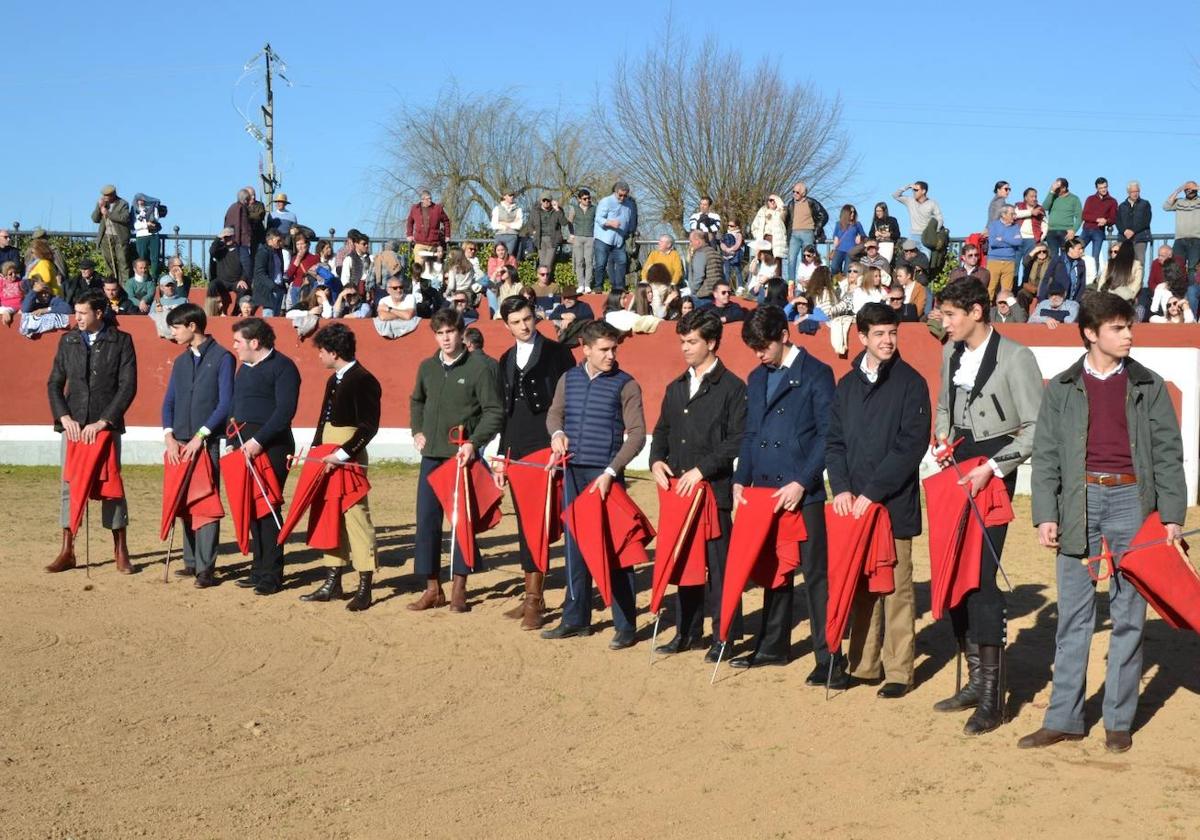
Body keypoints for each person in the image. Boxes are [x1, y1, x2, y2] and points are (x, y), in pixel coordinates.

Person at [1020, 292, 1186, 754]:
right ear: (1091, 333)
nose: (1129, 335)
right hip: (1080, 501)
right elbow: (1048, 455)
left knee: (1130, 615)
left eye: (1129, 326)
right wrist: (1045, 514)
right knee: (1073, 616)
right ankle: (1065, 718)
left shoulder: (1148, 385)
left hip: (1134, 500)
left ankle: (1118, 720)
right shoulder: (1062, 387)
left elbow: (1170, 455)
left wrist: (1171, 515)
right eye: (1118, 328)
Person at [932, 278, 1042, 736]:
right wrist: (940, 438)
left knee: (979, 575)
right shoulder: (949, 352)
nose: (944, 321)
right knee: (954, 567)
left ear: (977, 311)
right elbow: (944, 404)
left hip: (993, 472)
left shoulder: (1016, 357)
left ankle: (994, 699)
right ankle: (977, 681)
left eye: (951, 314)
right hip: (956, 466)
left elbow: (1037, 425)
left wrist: (994, 467)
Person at [731, 305, 842, 685]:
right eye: (754, 349)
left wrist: (803, 481)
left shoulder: (817, 374)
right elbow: (750, 434)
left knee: (815, 574)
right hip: (763, 487)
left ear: (783, 335)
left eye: (763, 346)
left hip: (801, 491)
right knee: (775, 569)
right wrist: (740, 478)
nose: (759, 355)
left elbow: (828, 435)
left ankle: (828, 657)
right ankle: (774, 645)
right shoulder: (756, 377)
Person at [827, 303, 930, 698]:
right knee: (861, 585)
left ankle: (900, 671)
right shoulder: (847, 385)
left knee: (896, 589)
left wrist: (871, 493)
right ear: (862, 336)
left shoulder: (911, 383)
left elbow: (909, 447)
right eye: (880, 334)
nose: (888, 341)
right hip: (854, 505)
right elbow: (834, 442)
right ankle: (864, 665)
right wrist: (843, 489)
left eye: (893, 333)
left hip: (891, 504)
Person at [542, 319, 647, 648]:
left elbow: (639, 434)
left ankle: (625, 624)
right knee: (575, 547)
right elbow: (554, 415)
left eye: (614, 348)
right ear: (585, 349)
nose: (611, 355)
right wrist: (557, 434)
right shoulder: (568, 379)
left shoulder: (626, 384)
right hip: (572, 470)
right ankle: (576, 618)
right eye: (604, 349)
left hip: (606, 475)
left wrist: (612, 471)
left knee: (616, 549)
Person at [649, 309, 747, 661]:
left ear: (711, 343)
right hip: (681, 493)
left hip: (714, 491)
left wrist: (702, 470)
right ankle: (686, 631)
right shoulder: (677, 387)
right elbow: (661, 431)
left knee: (720, 569)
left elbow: (738, 439)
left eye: (692, 342)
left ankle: (725, 637)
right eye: (682, 342)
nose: (685, 349)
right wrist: (656, 460)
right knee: (685, 563)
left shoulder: (733, 388)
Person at [409, 309, 504, 612]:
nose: (445, 338)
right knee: (426, 521)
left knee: (461, 522)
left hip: (461, 456)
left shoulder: (480, 367)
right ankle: (432, 587)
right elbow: (416, 401)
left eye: (450, 331)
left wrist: (475, 444)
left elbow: (494, 411)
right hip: (431, 456)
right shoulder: (426, 367)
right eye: (440, 333)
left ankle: (460, 585)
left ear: (461, 333)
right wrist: (417, 431)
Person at [492, 295, 578, 629]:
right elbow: (505, 412)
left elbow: (572, 402)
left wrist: (563, 444)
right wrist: (502, 455)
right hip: (517, 448)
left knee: (539, 522)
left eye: (528, 319)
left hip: (546, 444)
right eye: (516, 322)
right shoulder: (505, 359)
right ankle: (533, 594)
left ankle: (534, 599)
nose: (524, 326)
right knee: (525, 522)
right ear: (506, 325)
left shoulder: (558, 353)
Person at [46, 290, 138, 574]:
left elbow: (128, 386)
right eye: (76, 312)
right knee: (69, 485)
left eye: (83, 312)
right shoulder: (68, 340)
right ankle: (68, 548)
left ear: (99, 313)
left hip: (104, 427)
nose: (78, 318)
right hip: (73, 427)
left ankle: (120, 549)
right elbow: (54, 384)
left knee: (111, 486)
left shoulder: (121, 341)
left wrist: (104, 421)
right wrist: (64, 417)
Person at [294, 324, 381, 611]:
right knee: (329, 514)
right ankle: (333, 582)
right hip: (327, 455)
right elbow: (323, 422)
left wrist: (342, 455)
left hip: (347, 458)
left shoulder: (364, 379)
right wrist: (315, 452)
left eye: (321, 351)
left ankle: (364, 587)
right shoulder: (335, 380)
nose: (318, 356)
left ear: (333, 352)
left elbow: (369, 428)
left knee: (355, 516)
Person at [160, 304, 233, 587]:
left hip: (206, 443)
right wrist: (168, 435)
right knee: (183, 501)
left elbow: (224, 403)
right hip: (179, 442)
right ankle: (191, 561)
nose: (172, 333)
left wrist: (200, 436)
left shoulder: (223, 357)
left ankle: (206, 567)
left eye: (176, 327)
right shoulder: (180, 361)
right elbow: (169, 401)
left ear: (192, 326)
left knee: (205, 501)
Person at [228, 317, 300, 595]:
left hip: (273, 445)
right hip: (244, 445)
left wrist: (258, 441)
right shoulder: (243, 370)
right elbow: (235, 406)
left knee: (268, 508)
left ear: (254, 342)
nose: (234, 346)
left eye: (238, 341)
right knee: (251, 507)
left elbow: (284, 412)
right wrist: (233, 439)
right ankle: (258, 569)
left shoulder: (283, 368)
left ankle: (272, 573)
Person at [593, 181, 635, 292]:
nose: (622, 198)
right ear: (615, 192)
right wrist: (610, 223)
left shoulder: (629, 205)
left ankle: (619, 287)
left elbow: (629, 220)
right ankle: (598, 286)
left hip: (619, 240)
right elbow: (598, 218)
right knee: (601, 263)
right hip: (603, 239)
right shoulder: (606, 201)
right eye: (620, 195)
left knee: (622, 262)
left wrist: (630, 230)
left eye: (625, 195)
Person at [784, 182, 830, 281]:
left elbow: (824, 215)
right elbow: (787, 220)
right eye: (793, 192)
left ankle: (807, 283)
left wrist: (817, 229)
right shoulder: (791, 204)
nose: (794, 194)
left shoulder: (811, 202)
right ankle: (791, 285)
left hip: (808, 233)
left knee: (807, 259)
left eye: (797, 192)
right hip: (794, 234)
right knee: (791, 260)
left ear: (803, 193)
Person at [92, 184, 132, 283]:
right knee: (109, 263)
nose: (105, 198)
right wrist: (99, 207)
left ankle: (124, 287)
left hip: (120, 237)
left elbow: (125, 218)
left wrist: (108, 213)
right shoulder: (102, 203)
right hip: (106, 237)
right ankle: (111, 285)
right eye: (104, 196)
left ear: (113, 194)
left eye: (107, 196)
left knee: (123, 263)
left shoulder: (123, 203)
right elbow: (95, 219)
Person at [892, 182, 944, 254]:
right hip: (913, 236)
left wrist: (934, 231)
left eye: (916, 190)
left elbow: (940, 219)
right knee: (910, 260)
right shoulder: (910, 201)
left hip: (926, 237)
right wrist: (908, 186)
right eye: (913, 190)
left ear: (923, 191)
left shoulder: (932, 203)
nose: (914, 192)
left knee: (925, 260)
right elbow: (895, 195)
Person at [406, 189, 452, 271]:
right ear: (422, 200)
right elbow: (410, 222)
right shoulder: (414, 209)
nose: (430, 200)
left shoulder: (438, 209)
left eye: (430, 198)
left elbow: (446, 221)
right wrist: (409, 234)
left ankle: (436, 283)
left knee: (436, 268)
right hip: (420, 243)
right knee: (418, 267)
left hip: (434, 244)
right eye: (427, 199)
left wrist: (447, 235)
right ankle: (418, 282)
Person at [1163, 181, 1200, 276]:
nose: (1189, 191)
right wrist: (1178, 190)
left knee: (1193, 268)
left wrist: (1197, 187)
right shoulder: (1179, 202)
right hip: (1179, 240)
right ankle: (1179, 289)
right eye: (1187, 189)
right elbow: (1166, 206)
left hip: (1196, 240)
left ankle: (1192, 290)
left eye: (1192, 189)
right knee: (1177, 267)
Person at [986, 206, 1023, 300]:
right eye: (1012, 214)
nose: (1014, 216)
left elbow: (1018, 242)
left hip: (1009, 261)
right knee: (990, 288)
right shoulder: (993, 225)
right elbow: (993, 243)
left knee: (1007, 291)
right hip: (994, 260)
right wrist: (1010, 241)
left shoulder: (1016, 226)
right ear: (1003, 215)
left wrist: (1002, 239)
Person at [1082, 178, 1118, 269]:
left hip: (1099, 231)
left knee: (1095, 256)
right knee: (1076, 249)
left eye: (1105, 187)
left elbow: (1113, 218)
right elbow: (1084, 215)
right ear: (1096, 188)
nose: (1103, 189)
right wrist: (1097, 219)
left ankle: (1094, 279)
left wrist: (1106, 221)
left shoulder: (1112, 201)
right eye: (1101, 187)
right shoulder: (1090, 199)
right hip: (1086, 229)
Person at [1116, 180, 1153, 271]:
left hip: (1140, 237)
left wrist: (1133, 231)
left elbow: (1146, 220)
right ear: (1128, 192)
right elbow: (1118, 221)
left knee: (1139, 262)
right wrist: (1124, 231)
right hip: (1124, 238)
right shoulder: (1121, 206)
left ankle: (1138, 284)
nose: (1135, 194)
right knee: (1123, 262)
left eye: (1137, 191)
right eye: (1133, 192)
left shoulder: (1145, 204)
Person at [1044, 178, 1082, 259]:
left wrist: (1074, 230)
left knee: (1066, 256)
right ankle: (1055, 271)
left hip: (1066, 232)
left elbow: (1079, 217)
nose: (1055, 189)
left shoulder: (1074, 199)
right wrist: (1051, 192)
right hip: (1051, 231)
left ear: (1064, 188)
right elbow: (1045, 207)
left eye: (1057, 187)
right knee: (1052, 256)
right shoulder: (1052, 196)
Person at [252, 229, 287, 317]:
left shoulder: (278, 252)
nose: (280, 242)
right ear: (269, 241)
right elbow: (260, 273)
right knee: (269, 319)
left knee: (276, 318)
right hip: (268, 291)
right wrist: (272, 286)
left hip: (278, 288)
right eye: (277, 240)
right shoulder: (262, 252)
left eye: (280, 240)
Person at [566, 189, 596, 293]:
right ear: (579, 199)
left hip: (590, 237)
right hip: (578, 237)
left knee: (589, 261)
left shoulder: (594, 209)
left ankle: (587, 284)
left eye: (589, 198)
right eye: (584, 198)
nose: (587, 200)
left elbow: (598, 222)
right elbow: (569, 221)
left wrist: (596, 235)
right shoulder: (574, 209)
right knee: (578, 261)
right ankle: (580, 284)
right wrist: (572, 234)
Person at [223, 188, 255, 280]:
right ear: (245, 200)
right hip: (240, 243)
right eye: (248, 200)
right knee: (246, 267)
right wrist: (247, 240)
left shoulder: (231, 207)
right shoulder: (241, 208)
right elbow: (242, 226)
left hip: (230, 242)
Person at [132, 192, 166, 277]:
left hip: (153, 234)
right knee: (142, 258)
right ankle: (142, 276)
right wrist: (146, 225)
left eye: (142, 199)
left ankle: (154, 277)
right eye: (139, 199)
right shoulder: (134, 210)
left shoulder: (152, 208)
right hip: (141, 236)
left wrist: (151, 221)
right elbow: (136, 225)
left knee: (155, 258)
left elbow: (156, 219)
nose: (141, 201)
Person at [530, 194, 567, 270]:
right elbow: (530, 224)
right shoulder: (536, 211)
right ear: (541, 201)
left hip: (552, 240)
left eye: (548, 200)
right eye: (544, 200)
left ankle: (545, 280)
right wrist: (533, 232)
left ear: (551, 201)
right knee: (542, 263)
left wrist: (557, 209)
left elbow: (564, 222)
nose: (546, 202)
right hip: (540, 240)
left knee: (548, 263)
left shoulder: (557, 210)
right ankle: (542, 280)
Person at [687, 230, 723, 304]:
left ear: (697, 241)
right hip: (716, 294)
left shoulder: (700, 254)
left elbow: (699, 276)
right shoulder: (715, 253)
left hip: (703, 295)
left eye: (691, 241)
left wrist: (693, 291)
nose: (690, 244)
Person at [829, 204, 865, 276]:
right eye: (850, 212)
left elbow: (864, 236)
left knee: (847, 271)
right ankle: (836, 282)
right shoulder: (838, 224)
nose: (852, 214)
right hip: (839, 249)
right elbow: (836, 236)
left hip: (851, 251)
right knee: (834, 267)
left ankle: (845, 284)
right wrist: (835, 244)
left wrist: (860, 237)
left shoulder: (857, 224)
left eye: (854, 212)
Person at [750, 194, 787, 259]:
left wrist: (780, 206)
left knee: (776, 264)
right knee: (765, 263)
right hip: (765, 239)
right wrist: (758, 236)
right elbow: (754, 226)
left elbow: (785, 221)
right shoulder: (762, 211)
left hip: (777, 240)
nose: (772, 202)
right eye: (770, 200)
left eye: (774, 200)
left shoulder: (781, 212)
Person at [491, 190, 525, 257]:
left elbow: (519, 225)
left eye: (513, 195)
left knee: (509, 256)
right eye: (509, 195)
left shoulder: (518, 209)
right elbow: (494, 225)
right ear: (504, 196)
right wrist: (512, 224)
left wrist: (504, 223)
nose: (512, 197)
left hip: (512, 236)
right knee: (498, 257)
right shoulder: (497, 209)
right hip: (499, 235)